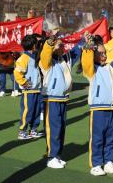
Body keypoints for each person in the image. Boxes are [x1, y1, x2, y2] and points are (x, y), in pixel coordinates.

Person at [39, 35, 82, 169]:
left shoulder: (65, 59)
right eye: (59, 45)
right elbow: (46, 52)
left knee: (61, 128)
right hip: (51, 98)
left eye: (62, 45)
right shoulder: (46, 60)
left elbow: (77, 50)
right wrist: (50, 43)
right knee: (53, 128)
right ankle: (51, 157)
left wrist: (85, 39)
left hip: (63, 98)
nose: (61, 47)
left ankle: (57, 155)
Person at [81, 34, 113, 176]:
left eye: (105, 53)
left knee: (111, 137)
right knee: (97, 138)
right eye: (100, 53)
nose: (103, 55)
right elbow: (86, 61)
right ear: (94, 54)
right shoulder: (91, 70)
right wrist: (88, 47)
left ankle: (109, 161)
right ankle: (96, 164)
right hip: (98, 109)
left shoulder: (111, 67)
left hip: (112, 108)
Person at [14, 35, 44, 140]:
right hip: (28, 90)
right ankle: (22, 131)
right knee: (28, 111)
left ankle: (33, 130)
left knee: (37, 110)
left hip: (37, 89)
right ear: (33, 45)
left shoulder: (35, 55)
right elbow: (17, 72)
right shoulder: (23, 58)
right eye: (36, 43)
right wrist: (24, 82)